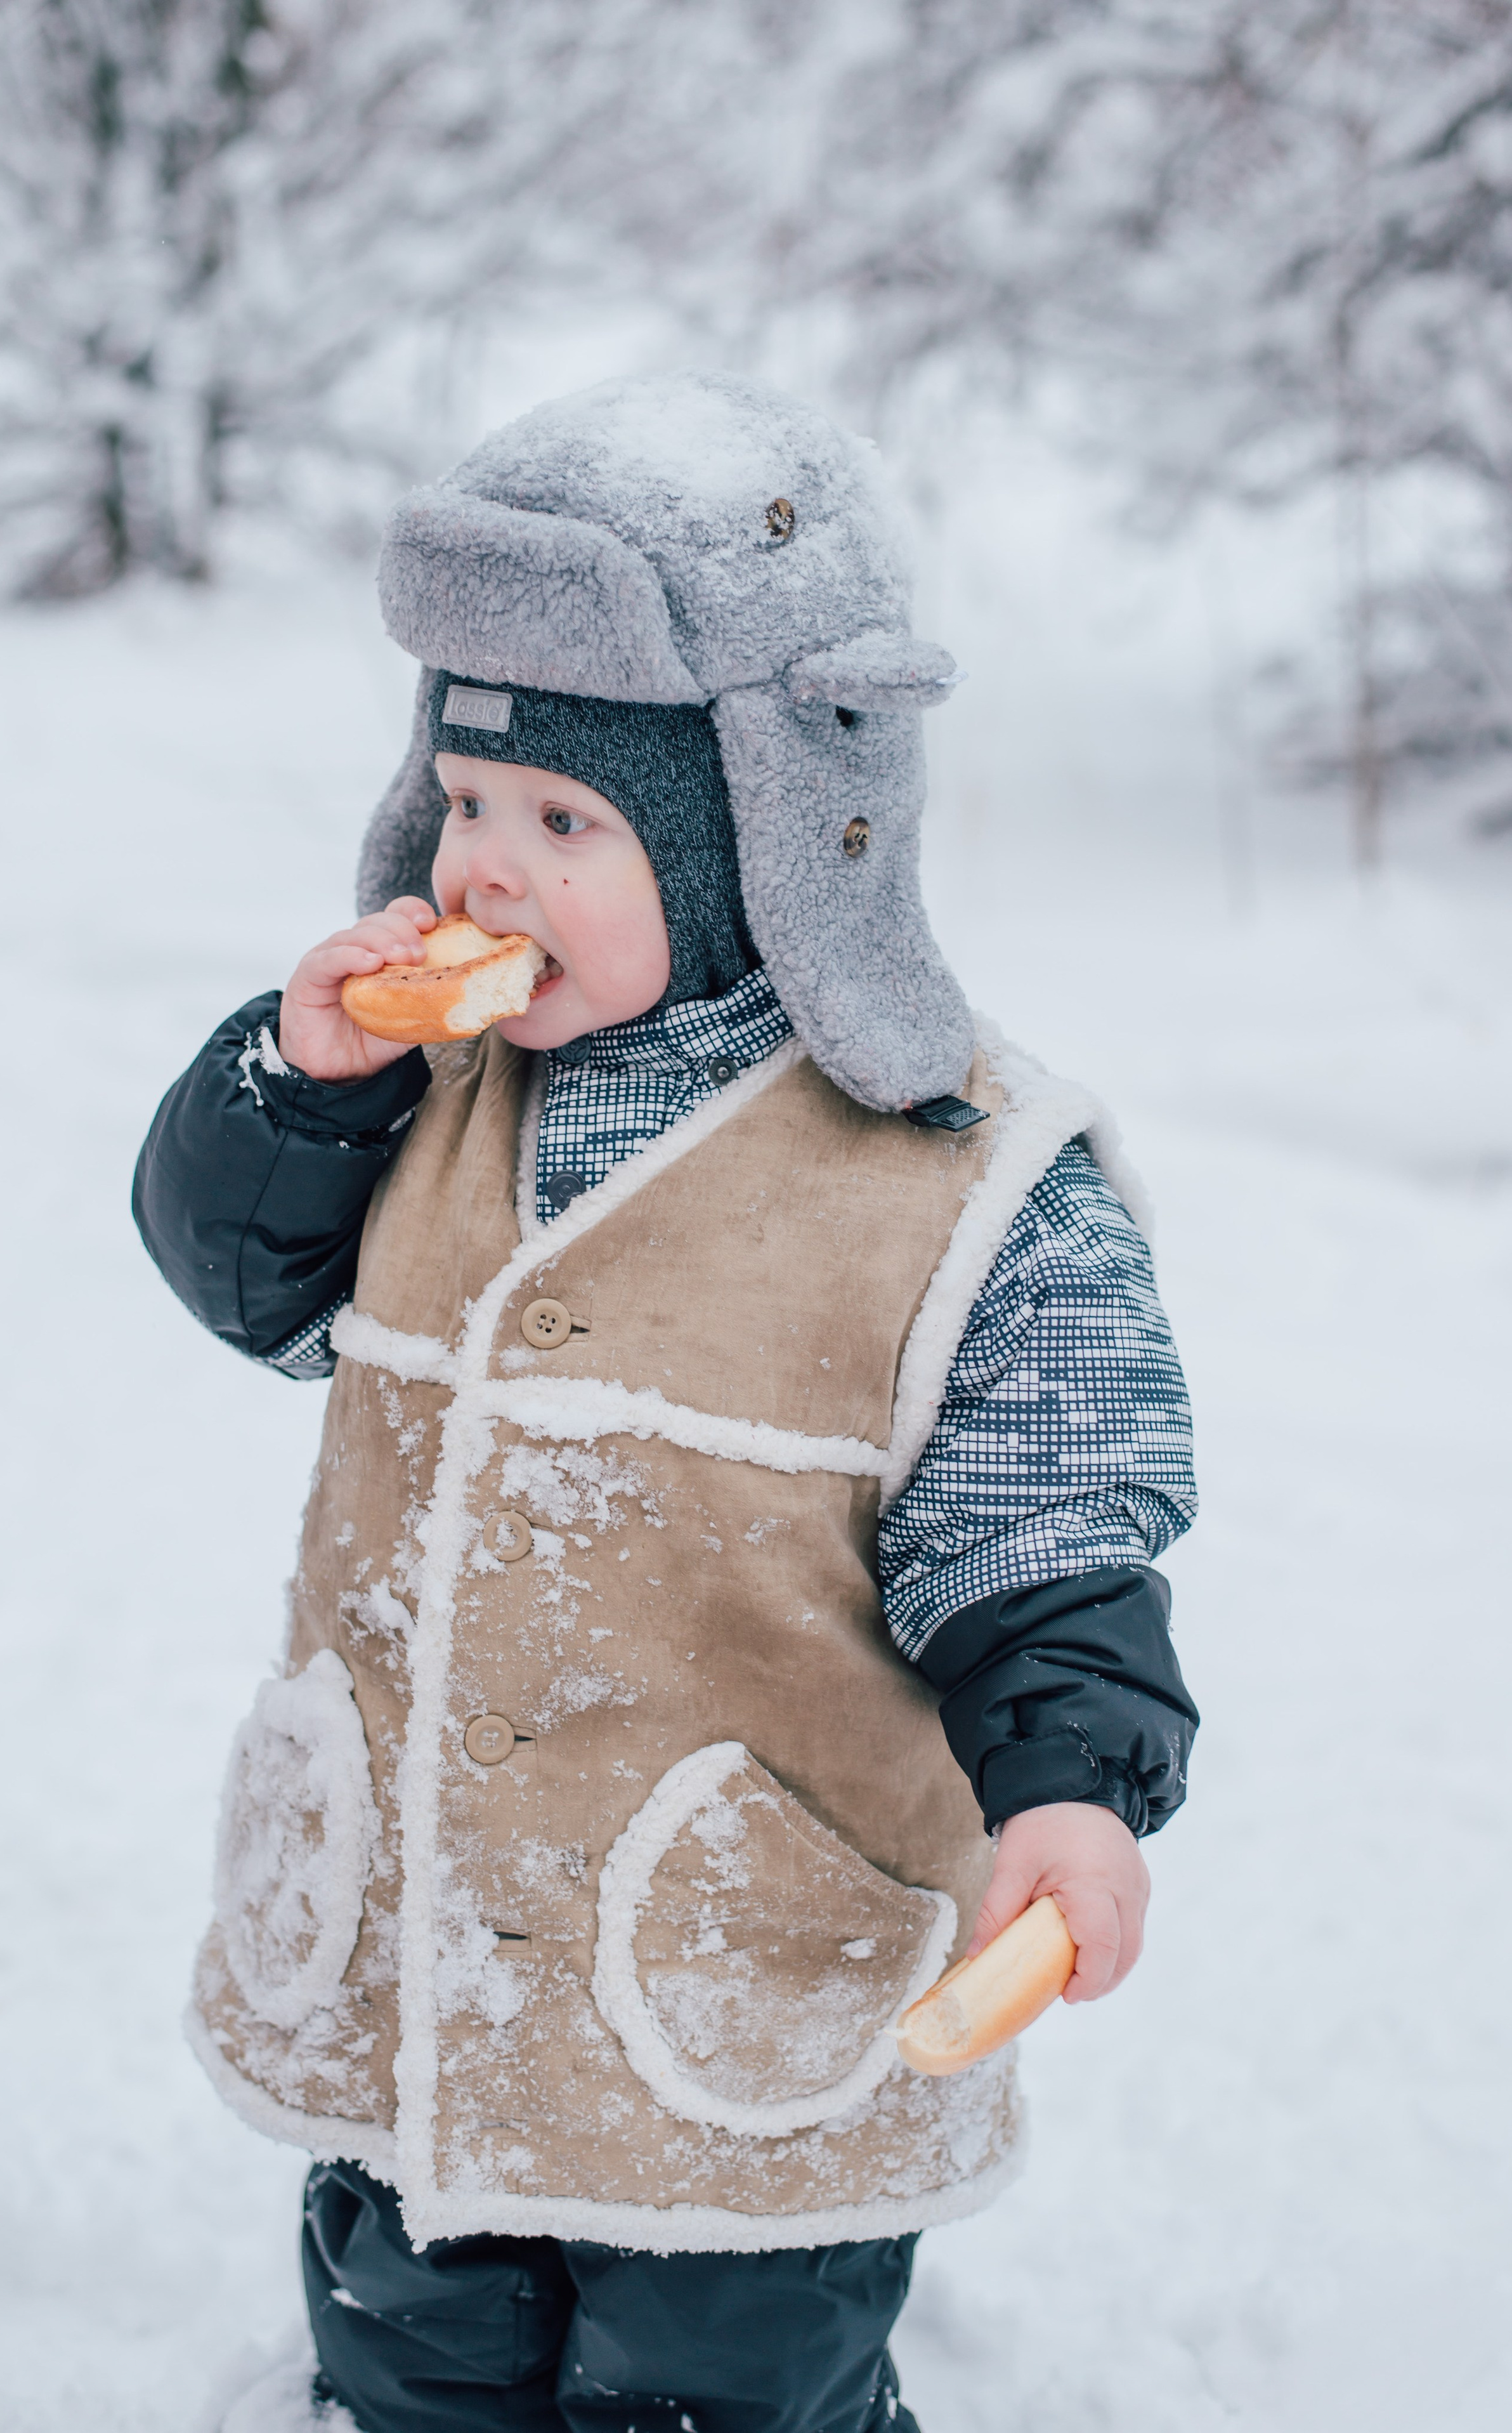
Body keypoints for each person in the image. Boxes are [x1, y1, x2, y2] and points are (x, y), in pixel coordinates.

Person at [134, 372, 1199, 2433]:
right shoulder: (416, 1082)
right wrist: (294, 1084)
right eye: (462, 802)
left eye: (569, 824)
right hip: (422, 1961)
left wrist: (1072, 1787)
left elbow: (1051, 1536)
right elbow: (239, 1277)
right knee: (410, 2346)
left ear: (776, 851)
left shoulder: (964, 1186)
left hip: (734, 1977)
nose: (491, 872)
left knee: (724, 2386)